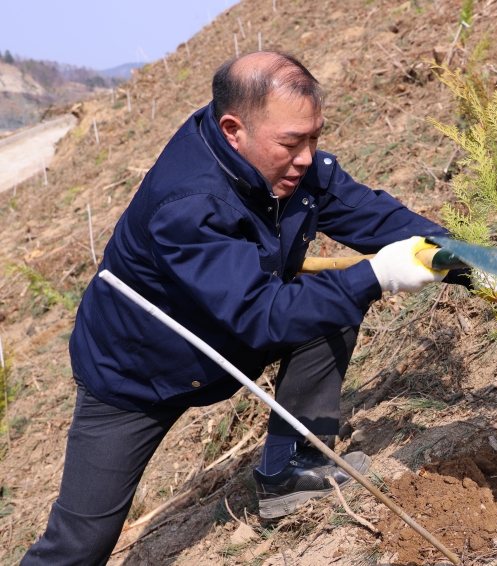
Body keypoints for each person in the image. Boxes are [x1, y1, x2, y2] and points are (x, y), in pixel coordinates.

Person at [21, 51, 469, 565]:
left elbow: (372, 216)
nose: (307, 156)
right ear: (233, 129)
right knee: (81, 543)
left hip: (232, 334)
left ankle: (291, 471)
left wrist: (469, 260)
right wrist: (376, 276)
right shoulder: (187, 204)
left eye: (315, 137)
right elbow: (263, 317)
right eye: (291, 142)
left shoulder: (291, 169)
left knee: (327, 310)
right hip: (137, 374)